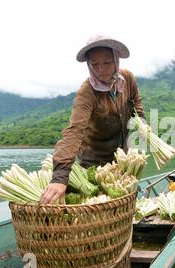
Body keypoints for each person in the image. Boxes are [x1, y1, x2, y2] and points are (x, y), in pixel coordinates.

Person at [40, 34, 146, 204]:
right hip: (94, 163)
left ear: (116, 60)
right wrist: (59, 178)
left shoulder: (127, 79)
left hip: (123, 159)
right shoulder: (87, 93)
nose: (101, 69)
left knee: (125, 204)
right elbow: (74, 131)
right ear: (88, 65)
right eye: (94, 64)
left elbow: (136, 103)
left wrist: (142, 122)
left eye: (106, 63)